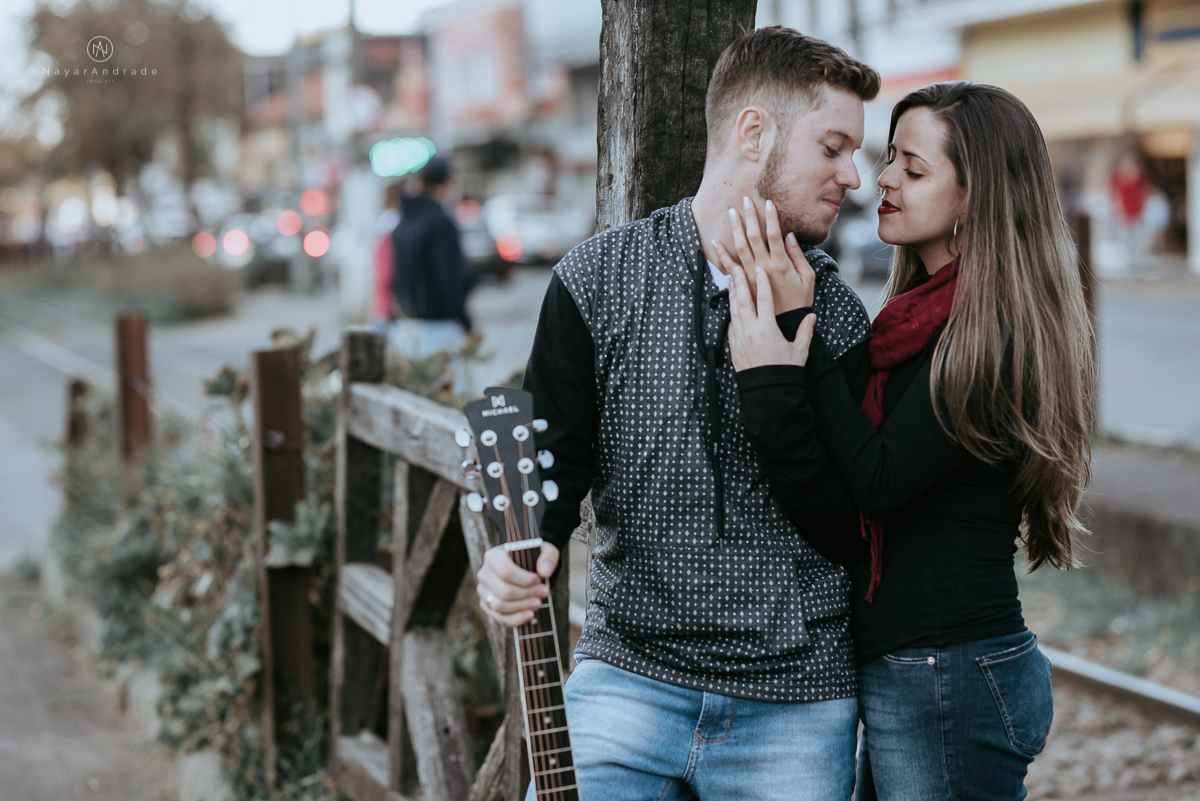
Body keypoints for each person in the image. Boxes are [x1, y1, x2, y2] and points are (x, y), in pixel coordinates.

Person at [474, 27, 880, 800]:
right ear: (753, 133)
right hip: (628, 677)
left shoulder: (837, 313)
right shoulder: (596, 280)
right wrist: (512, 558)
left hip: (795, 698)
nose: (852, 175)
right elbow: (549, 466)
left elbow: (853, 522)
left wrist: (782, 370)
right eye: (832, 148)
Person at [722, 81, 1096, 800]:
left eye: (913, 169)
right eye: (890, 157)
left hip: (947, 668)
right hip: (923, 669)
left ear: (976, 197)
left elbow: (878, 478)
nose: (883, 179)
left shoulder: (990, 337)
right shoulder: (912, 320)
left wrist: (801, 326)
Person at [391, 156, 472, 357]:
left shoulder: (403, 223)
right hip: (440, 329)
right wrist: (464, 321)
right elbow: (448, 278)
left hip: (405, 328)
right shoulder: (440, 223)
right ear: (447, 182)